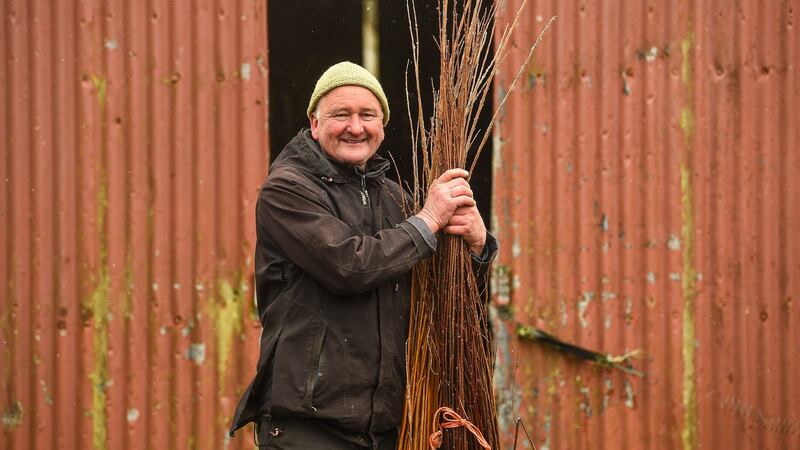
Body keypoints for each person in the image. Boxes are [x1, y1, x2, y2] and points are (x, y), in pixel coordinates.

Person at [229, 61, 497, 449]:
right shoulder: (286, 191)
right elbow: (349, 265)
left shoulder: (396, 198)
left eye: (367, 115)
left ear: (382, 126)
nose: (356, 127)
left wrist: (477, 245)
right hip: (310, 428)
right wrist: (429, 219)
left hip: (389, 426)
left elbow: (439, 295)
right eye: (341, 114)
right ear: (315, 123)